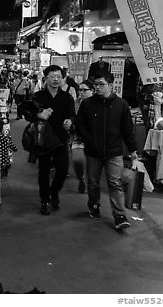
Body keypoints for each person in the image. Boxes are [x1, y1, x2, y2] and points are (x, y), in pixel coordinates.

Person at [76, 71, 138, 230]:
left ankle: (119, 215)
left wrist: (132, 149)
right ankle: (94, 205)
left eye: (101, 84)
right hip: (93, 152)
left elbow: (127, 129)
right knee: (93, 182)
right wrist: (89, 141)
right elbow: (80, 125)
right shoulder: (87, 104)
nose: (97, 87)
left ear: (111, 85)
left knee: (115, 183)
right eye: (96, 84)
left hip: (114, 152)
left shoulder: (121, 104)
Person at [31, 65, 76, 215]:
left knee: (62, 170)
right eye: (52, 76)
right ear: (46, 78)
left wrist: (70, 121)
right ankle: (45, 200)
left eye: (59, 76)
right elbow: (27, 113)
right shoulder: (38, 96)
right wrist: (38, 115)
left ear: (62, 78)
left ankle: (54, 191)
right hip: (43, 139)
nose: (56, 79)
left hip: (61, 139)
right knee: (43, 171)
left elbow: (72, 114)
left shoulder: (67, 97)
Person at [69, 80, 94, 194]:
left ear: (92, 91)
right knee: (77, 160)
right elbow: (71, 116)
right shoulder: (76, 103)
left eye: (85, 90)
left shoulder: (97, 103)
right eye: (80, 90)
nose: (82, 92)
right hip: (78, 136)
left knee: (92, 163)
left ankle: (92, 183)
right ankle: (81, 179)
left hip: (94, 137)